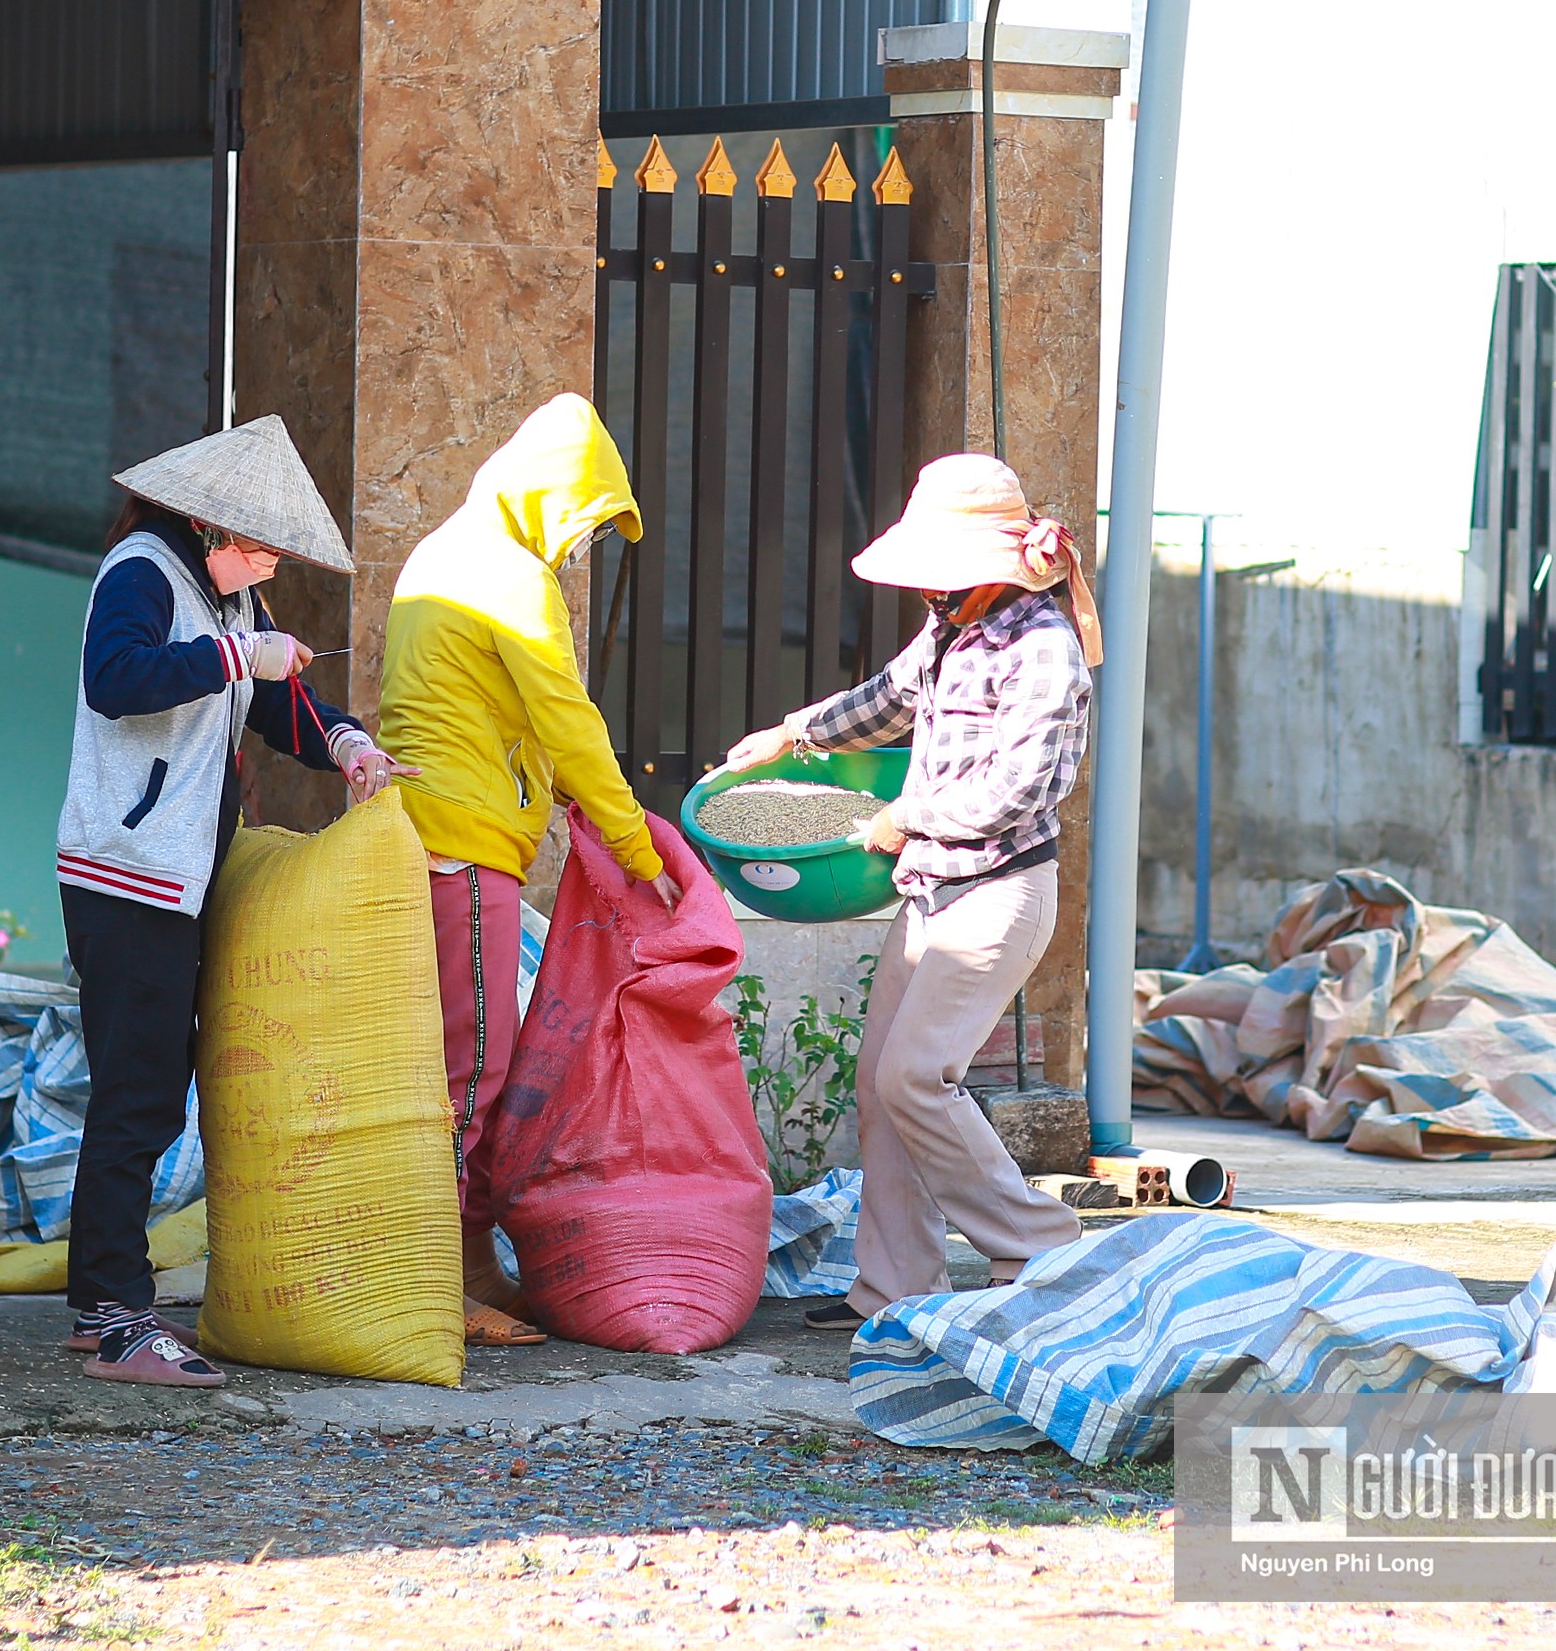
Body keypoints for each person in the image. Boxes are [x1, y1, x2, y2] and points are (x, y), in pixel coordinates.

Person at [57, 415, 410, 1388]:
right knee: (134, 1096)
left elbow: (272, 705)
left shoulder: (228, 600)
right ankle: (120, 1319)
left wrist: (345, 744)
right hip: (123, 873)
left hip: (172, 877)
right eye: (257, 545)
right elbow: (114, 679)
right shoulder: (140, 570)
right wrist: (230, 661)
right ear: (208, 525)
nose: (267, 563)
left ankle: (101, 1308)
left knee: (147, 1088)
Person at [721, 454, 1101, 1327]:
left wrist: (905, 815)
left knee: (918, 1078)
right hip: (930, 891)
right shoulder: (951, 631)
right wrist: (789, 735)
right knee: (879, 1085)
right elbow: (885, 701)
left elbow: (1025, 789)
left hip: (998, 892)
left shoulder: (1043, 648)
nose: (930, 593)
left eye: (944, 577)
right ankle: (893, 1291)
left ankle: (1040, 1247)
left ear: (992, 568)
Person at [379, 393, 684, 1347]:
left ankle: (460, 1263)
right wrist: (636, 847)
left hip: (423, 835)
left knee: (449, 1069)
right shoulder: (509, 574)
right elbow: (566, 716)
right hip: (463, 847)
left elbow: (486, 705)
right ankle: (437, 1284)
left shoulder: (445, 552)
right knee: (471, 1071)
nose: (577, 547)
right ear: (550, 499)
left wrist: (551, 790)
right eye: (582, 523)